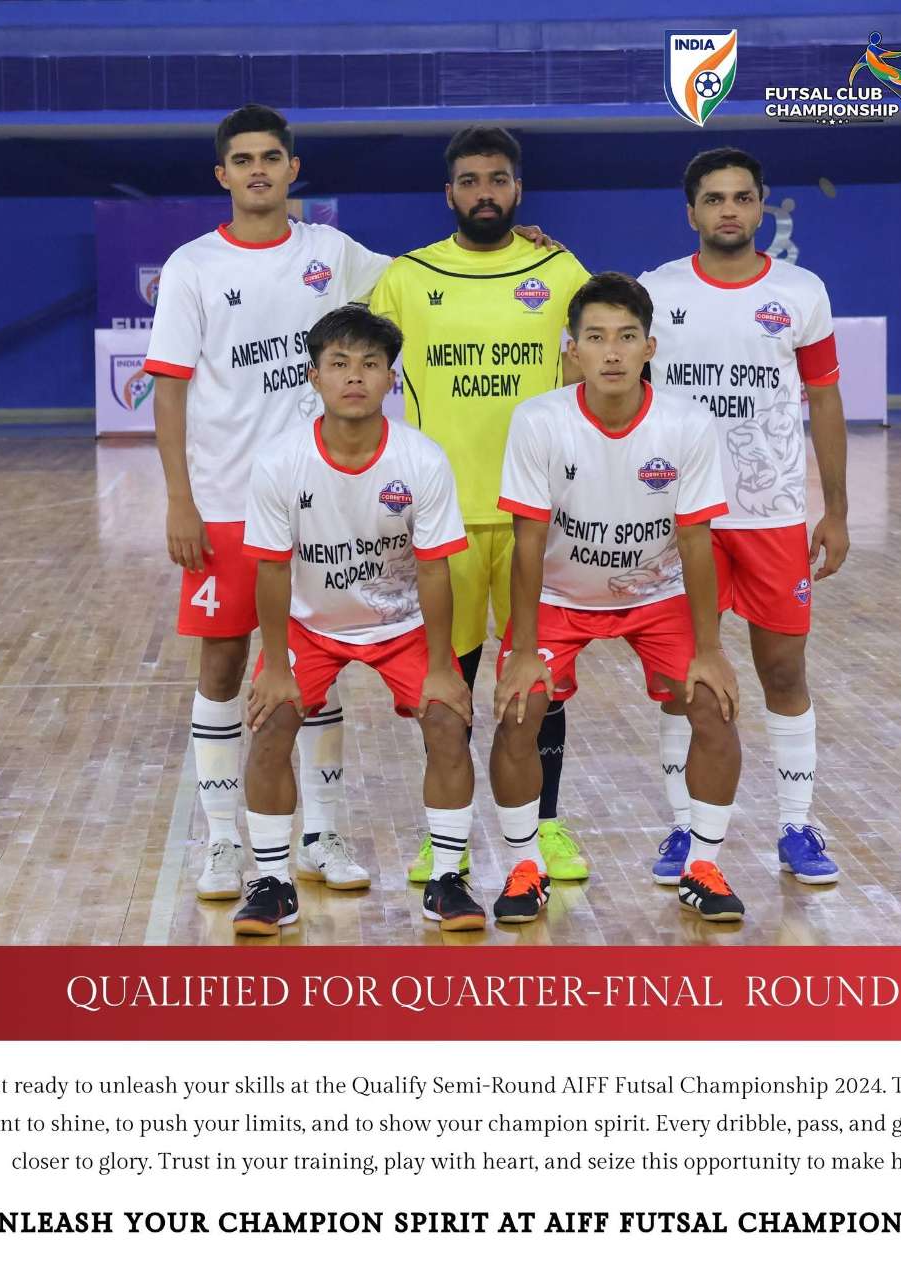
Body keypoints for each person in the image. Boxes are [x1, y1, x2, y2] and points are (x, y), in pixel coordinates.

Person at [145, 104, 390, 901]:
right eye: (244, 159)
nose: (258, 170)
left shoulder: (332, 253)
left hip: (320, 502)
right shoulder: (193, 266)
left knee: (317, 667)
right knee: (222, 666)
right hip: (223, 501)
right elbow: (170, 390)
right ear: (223, 174)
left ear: (293, 169)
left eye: (271, 157)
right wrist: (179, 501)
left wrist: (514, 246)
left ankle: (321, 833)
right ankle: (224, 842)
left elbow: (420, 280)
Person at [370, 126, 593, 886]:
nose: (485, 193)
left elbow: (600, 357)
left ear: (518, 189)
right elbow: (358, 368)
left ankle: (546, 828)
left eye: (498, 179)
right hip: (445, 519)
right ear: (449, 194)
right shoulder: (407, 277)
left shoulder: (558, 269)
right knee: (448, 686)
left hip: (541, 514)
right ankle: (449, 838)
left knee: (541, 683)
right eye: (469, 181)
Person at [490, 273, 745, 924]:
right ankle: (525, 865)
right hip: (560, 594)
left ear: (649, 348)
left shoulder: (686, 422)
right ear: (572, 349)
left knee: (713, 705)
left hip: (658, 594)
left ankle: (703, 865)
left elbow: (696, 541)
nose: (611, 352)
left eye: (627, 337)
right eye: (597, 338)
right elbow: (527, 543)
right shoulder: (539, 420)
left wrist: (710, 649)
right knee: (520, 709)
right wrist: (523, 650)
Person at [638, 147, 848, 887]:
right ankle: (684, 828)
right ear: (690, 212)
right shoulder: (656, 292)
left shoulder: (801, 292)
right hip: (678, 520)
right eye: (714, 198)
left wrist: (836, 510)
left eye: (741, 197)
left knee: (783, 671)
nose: (728, 210)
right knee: (681, 681)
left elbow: (824, 398)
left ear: (761, 207)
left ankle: (797, 825)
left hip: (771, 517)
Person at [238, 306, 481, 935]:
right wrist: (275, 667)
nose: (354, 376)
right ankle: (272, 881)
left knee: (448, 719)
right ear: (313, 376)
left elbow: (434, 570)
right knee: (270, 721)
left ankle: (447, 879)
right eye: (339, 363)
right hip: (310, 625)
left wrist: (441, 667)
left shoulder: (421, 459)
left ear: (390, 379)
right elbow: (271, 570)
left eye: (370, 364)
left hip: (400, 624)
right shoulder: (280, 461)